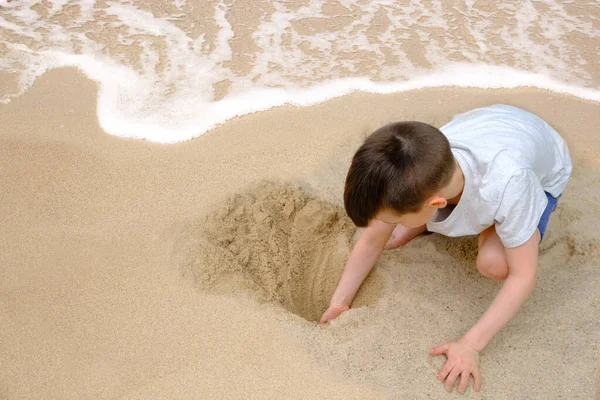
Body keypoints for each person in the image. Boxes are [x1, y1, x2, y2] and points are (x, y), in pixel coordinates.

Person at [320, 104, 572, 393]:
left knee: (495, 262)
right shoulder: (426, 159)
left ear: (435, 203)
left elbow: (523, 276)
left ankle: (442, 221)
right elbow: (371, 240)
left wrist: (471, 345)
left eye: (390, 220)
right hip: (489, 123)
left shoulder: (510, 184)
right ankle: (421, 220)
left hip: (543, 165)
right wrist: (340, 301)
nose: (382, 226)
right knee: (399, 219)